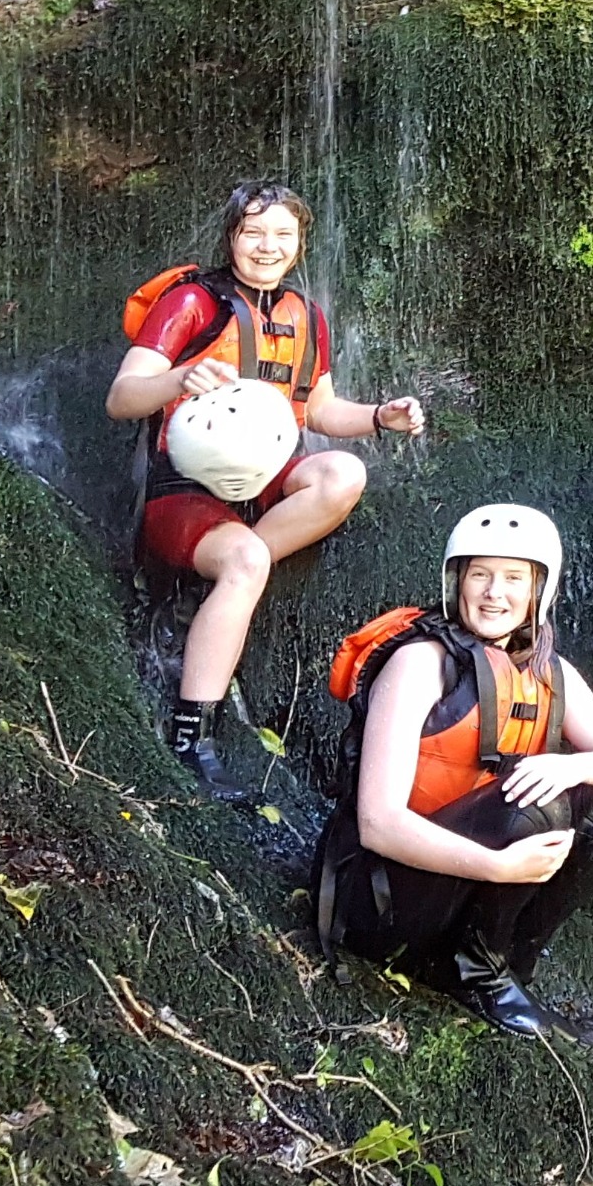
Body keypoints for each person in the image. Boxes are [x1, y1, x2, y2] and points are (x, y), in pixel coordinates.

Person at [106, 180, 426, 800]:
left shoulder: (306, 316)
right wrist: (179, 378)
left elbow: (322, 411)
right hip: (183, 489)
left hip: (262, 486)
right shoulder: (193, 303)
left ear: (301, 244)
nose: (267, 246)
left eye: (283, 234)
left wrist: (381, 417)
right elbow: (122, 399)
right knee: (247, 561)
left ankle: (229, 573)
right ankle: (191, 733)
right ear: (231, 238)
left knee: (343, 473)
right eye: (253, 232)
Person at [311, 505, 593, 1035]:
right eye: (480, 574)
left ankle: (505, 962)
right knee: (538, 805)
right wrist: (497, 868)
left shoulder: (549, 671)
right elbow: (377, 823)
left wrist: (570, 766)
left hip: (457, 893)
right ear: (457, 582)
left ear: (540, 589)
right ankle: (476, 970)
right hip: (379, 905)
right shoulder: (420, 663)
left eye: (514, 577)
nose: (495, 592)